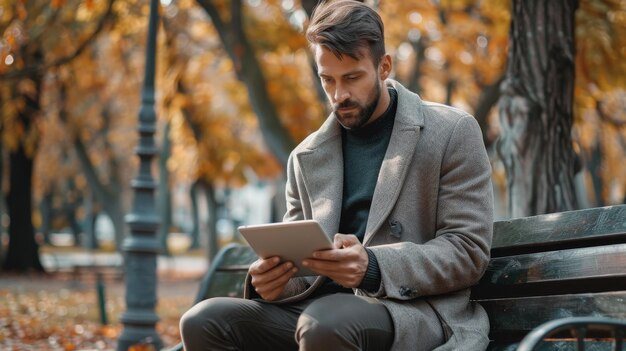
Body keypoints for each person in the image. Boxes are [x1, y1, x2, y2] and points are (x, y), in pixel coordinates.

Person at [179, 1, 493, 350]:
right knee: (204, 321)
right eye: (327, 79)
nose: (339, 95)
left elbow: (468, 252)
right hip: (315, 313)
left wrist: (373, 266)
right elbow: (302, 266)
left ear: (384, 66)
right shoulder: (306, 156)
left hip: (410, 311)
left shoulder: (451, 132)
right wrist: (274, 281)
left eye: (352, 78)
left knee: (327, 323)